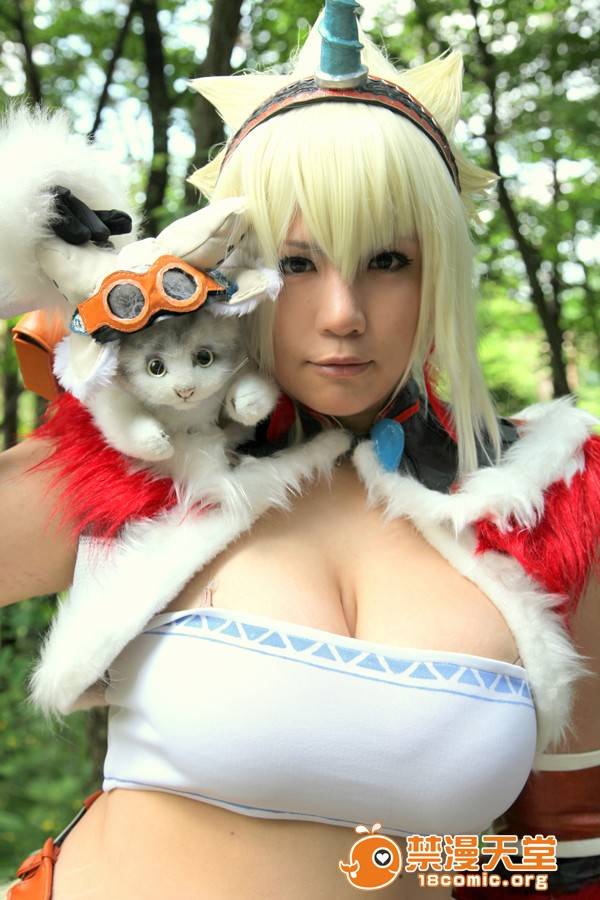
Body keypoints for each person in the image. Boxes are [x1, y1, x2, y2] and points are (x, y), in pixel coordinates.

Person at [1, 3, 600, 899]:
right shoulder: (140, 454)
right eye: (297, 264)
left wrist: (402, 864)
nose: (343, 313)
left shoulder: (545, 497)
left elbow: (563, 858)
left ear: (439, 269)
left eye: (387, 262)